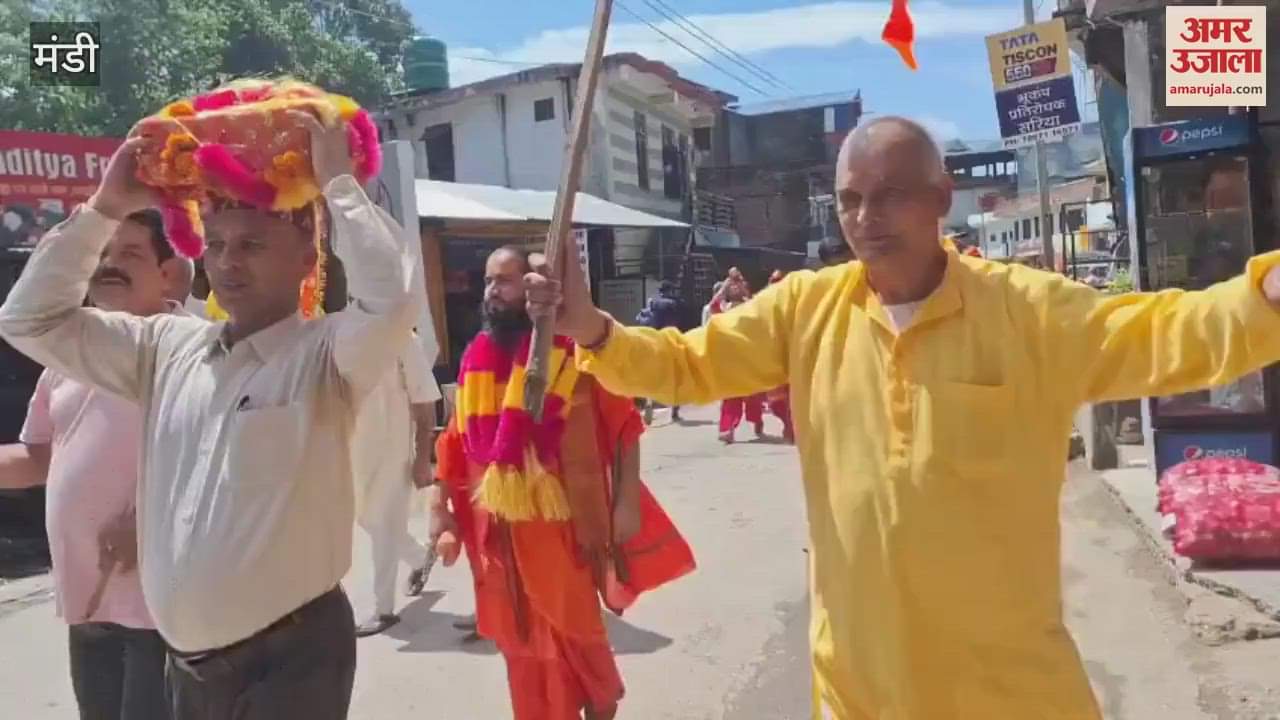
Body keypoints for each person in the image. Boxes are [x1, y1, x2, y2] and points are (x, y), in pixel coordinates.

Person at [524, 115, 1280, 719]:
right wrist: (592, 327)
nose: (865, 217)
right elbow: (687, 366)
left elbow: (1161, 333)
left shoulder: (1026, 313)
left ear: (941, 197)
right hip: (862, 684)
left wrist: (1263, 298)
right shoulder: (805, 309)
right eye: (851, 198)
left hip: (1007, 691)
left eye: (889, 196)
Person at [0, 112, 419, 719]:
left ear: (308, 258)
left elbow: (392, 298)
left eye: (252, 244)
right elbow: (27, 320)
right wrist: (105, 207)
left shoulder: (327, 353)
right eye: (217, 245)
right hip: (186, 663)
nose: (229, 263)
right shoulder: (165, 348)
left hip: (290, 660)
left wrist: (336, 186)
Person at [432, 246, 694, 720]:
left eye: (506, 280)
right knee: (521, 653)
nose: (494, 289)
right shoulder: (474, 361)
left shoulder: (575, 357)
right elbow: (452, 445)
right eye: (490, 280)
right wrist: (441, 514)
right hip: (498, 541)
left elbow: (623, 427)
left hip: (563, 531)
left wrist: (627, 502)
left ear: (535, 289)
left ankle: (597, 705)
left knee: (578, 638)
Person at [0, 209, 190, 720]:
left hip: (163, 610)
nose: (110, 265)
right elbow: (41, 456)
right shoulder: (68, 353)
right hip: (88, 601)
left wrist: (151, 523)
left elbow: (225, 464)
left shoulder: (194, 351)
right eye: (102, 254)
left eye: (129, 253)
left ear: (168, 272)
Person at [352, 329, 442, 637]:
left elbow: (424, 399)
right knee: (367, 518)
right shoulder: (344, 330)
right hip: (352, 447)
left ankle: (383, 610)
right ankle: (420, 556)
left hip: (393, 447)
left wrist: (422, 455)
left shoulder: (403, 337)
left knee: (385, 522)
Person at [708, 270, 764, 444]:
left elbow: (760, 309)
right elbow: (713, 305)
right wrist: (724, 286)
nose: (734, 288)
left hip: (749, 356)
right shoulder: (725, 308)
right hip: (730, 357)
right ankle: (728, 428)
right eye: (732, 286)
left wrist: (744, 290)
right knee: (731, 395)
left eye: (737, 285)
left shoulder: (751, 306)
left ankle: (757, 420)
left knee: (753, 396)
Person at [635, 280, 685, 423]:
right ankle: (675, 408)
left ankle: (649, 403)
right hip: (671, 342)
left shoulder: (654, 304)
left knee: (652, 375)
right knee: (675, 376)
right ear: (670, 291)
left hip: (655, 342)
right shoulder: (676, 304)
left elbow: (649, 322)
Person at [763, 270, 795, 444]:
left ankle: (792, 428)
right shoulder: (763, 303)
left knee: (794, 399)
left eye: (778, 281)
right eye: (773, 280)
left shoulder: (795, 303)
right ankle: (787, 424)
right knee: (776, 403)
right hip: (772, 358)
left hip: (794, 358)